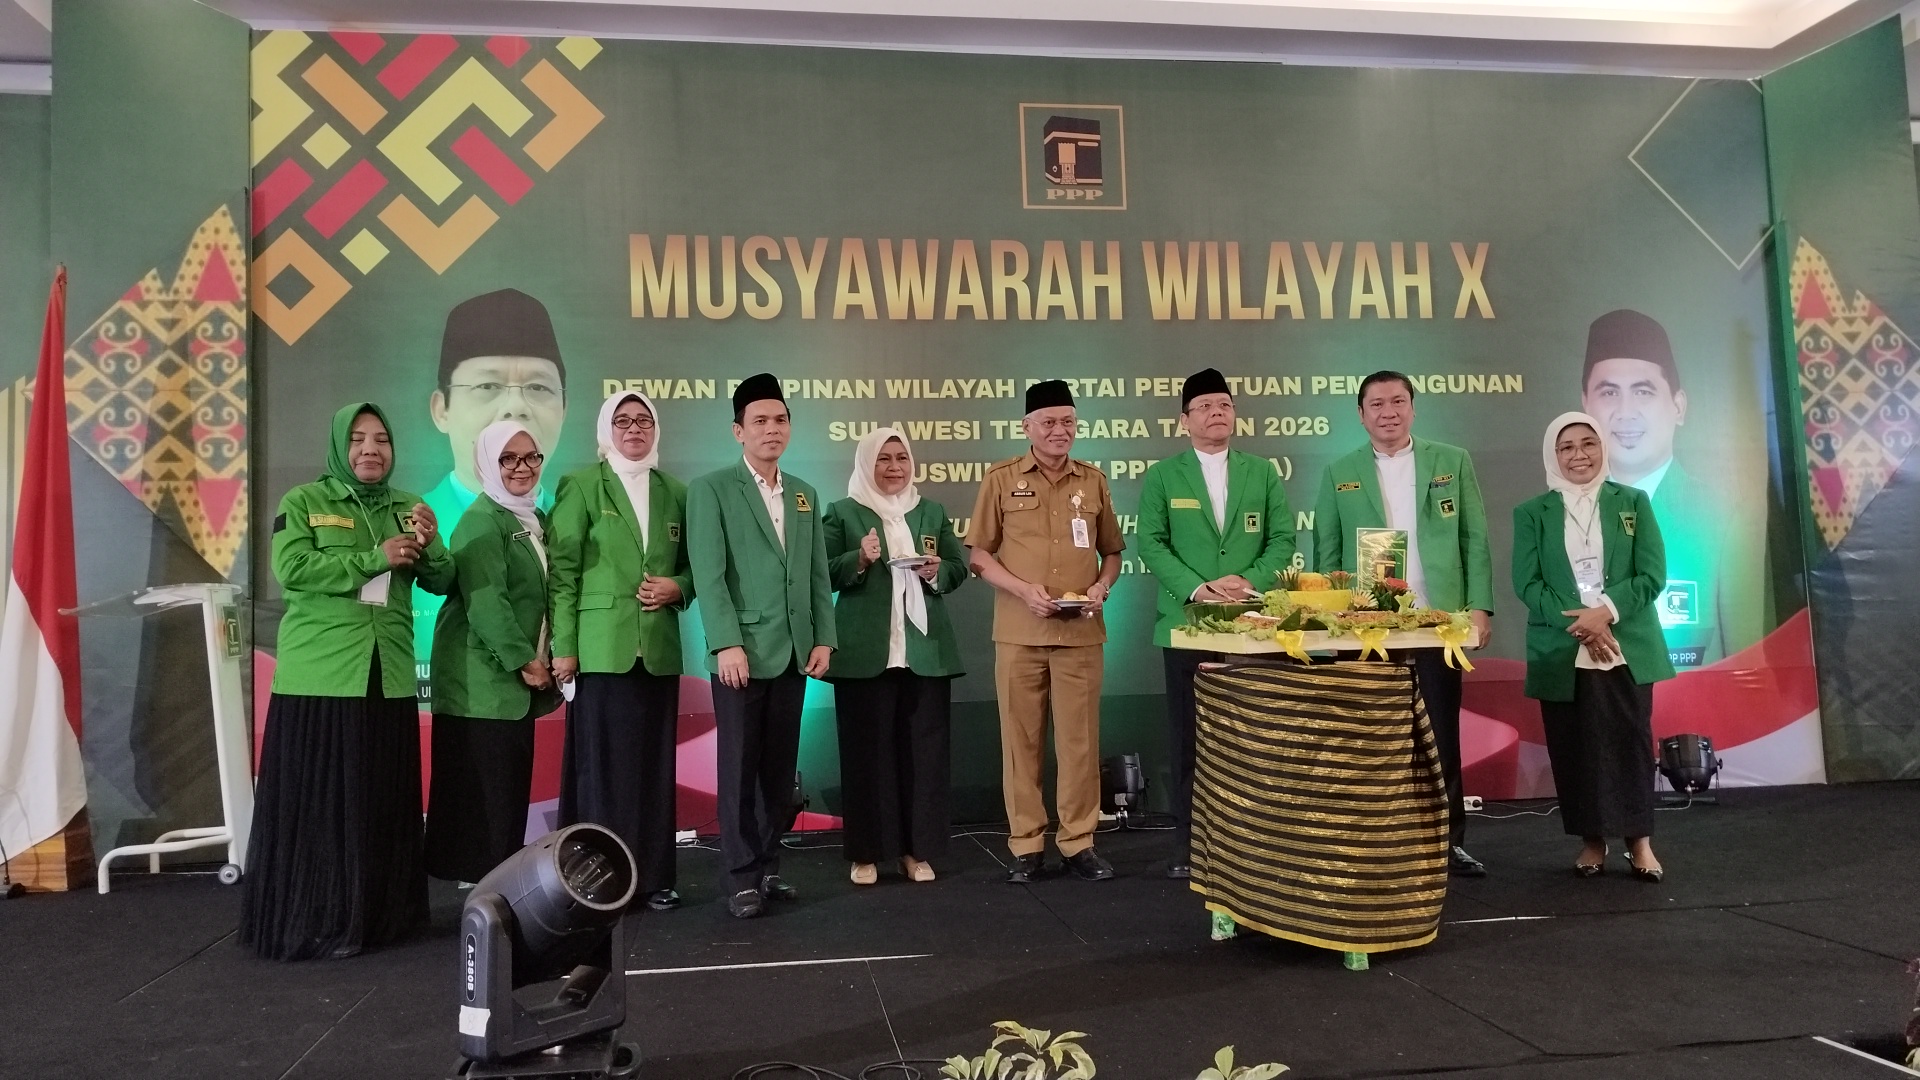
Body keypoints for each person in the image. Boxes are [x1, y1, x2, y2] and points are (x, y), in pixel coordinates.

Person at [242, 403, 453, 960]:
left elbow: (443, 579)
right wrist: (373, 558)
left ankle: (382, 920)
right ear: (340, 446)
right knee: (322, 808)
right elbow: (292, 569)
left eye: (381, 439)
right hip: (321, 678)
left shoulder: (409, 506)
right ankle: (317, 922)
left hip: (389, 676)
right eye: (358, 439)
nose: (370, 450)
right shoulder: (303, 502)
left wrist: (432, 542)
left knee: (380, 804)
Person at [1313, 370, 1493, 877]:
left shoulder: (1451, 461)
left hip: (1438, 621)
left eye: (1397, 401)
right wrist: (1332, 619)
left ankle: (1448, 843)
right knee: (1372, 738)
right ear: (1360, 414)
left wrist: (1479, 607)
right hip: (1365, 625)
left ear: (1413, 408)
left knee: (1440, 734)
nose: (1388, 412)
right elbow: (1326, 552)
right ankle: (1376, 843)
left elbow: (1474, 538)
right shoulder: (1339, 471)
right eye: (1376, 404)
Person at [1136, 368, 1296, 879]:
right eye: (1204, 407)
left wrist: (1248, 581)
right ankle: (1190, 845)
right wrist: (1199, 588)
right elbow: (1150, 543)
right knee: (1191, 740)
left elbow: (1283, 540)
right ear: (1184, 420)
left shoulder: (1262, 472)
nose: (1216, 413)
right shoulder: (1164, 476)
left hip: (1253, 625)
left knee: (1256, 738)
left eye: (1224, 405)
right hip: (1186, 623)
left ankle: (1258, 843)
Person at [687, 374, 836, 919]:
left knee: (778, 771)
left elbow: (817, 573)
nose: (772, 429)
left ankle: (768, 867)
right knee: (738, 771)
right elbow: (709, 575)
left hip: (795, 651)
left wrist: (824, 637)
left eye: (780, 420)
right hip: (741, 655)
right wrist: (726, 642)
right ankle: (739, 878)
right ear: (738, 431)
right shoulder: (712, 489)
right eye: (760, 421)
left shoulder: (803, 492)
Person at [967, 380, 1124, 884]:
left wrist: (1101, 586)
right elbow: (979, 556)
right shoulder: (1001, 479)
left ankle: (1079, 842)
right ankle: (1027, 845)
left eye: (1068, 422)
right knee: (1021, 743)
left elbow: (1112, 553)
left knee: (1080, 744)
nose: (1061, 431)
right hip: (1020, 631)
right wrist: (1022, 590)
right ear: (1027, 427)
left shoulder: (1093, 481)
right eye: (1050, 422)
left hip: (1081, 634)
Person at [1512, 412, 1674, 881]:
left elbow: (1651, 575)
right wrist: (1582, 623)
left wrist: (1605, 612)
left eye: (1588, 444)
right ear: (1553, 455)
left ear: (1603, 448)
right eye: (1567, 447)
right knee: (1574, 747)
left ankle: (1639, 843)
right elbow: (1528, 583)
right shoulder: (1532, 512)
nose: (1579, 455)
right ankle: (1591, 842)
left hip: (1625, 643)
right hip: (1563, 648)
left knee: (1630, 744)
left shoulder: (1633, 502)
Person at [547, 391, 693, 912]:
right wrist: (564, 647)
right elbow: (563, 573)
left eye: (644, 420)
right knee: (602, 773)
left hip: (658, 650)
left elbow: (696, 567)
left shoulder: (676, 491)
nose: (634, 429)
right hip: (600, 651)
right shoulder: (582, 485)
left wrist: (678, 587)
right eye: (623, 420)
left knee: (654, 769)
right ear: (606, 430)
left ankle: (653, 878)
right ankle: (599, 881)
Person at [823, 428, 968, 886]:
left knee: (924, 757)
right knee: (866, 757)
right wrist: (859, 559)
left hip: (924, 653)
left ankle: (916, 851)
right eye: (883, 458)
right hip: (865, 654)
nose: (894, 467)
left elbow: (958, 567)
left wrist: (937, 570)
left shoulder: (931, 510)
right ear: (867, 464)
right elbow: (821, 572)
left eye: (901, 457)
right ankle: (866, 854)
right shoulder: (842, 511)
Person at [1580, 309, 1763, 667]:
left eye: (1643, 391)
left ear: (1678, 406)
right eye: (1609, 392)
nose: (1626, 412)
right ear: (1585, 406)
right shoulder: (1560, 516)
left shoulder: (1724, 518)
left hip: (1689, 700)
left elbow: (1747, 664)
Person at [423, 421, 561, 886]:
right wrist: (526, 661)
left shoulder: (531, 518)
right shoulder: (482, 520)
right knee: (485, 800)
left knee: (503, 798)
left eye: (531, 457)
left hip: (507, 687)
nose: (522, 467)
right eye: (508, 458)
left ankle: (492, 891)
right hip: (481, 684)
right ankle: (485, 897)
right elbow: (487, 604)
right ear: (487, 462)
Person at [414, 289, 570, 692]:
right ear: (441, 409)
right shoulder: (433, 517)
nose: (515, 408)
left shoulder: (559, 519)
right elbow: (487, 605)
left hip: (537, 691)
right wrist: (527, 662)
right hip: (482, 692)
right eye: (487, 386)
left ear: (564, 410)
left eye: (538, 388)